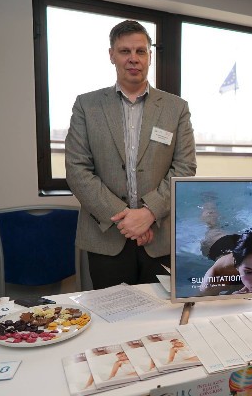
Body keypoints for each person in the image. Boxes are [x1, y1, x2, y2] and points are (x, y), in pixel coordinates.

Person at [65, 20, 196, 289]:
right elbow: (77, 170)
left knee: (161, 313)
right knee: (112, 313)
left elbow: (185, 167)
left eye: (140, 51)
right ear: (111, 55)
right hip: (105, 238)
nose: (133, 58)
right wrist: (126, 219)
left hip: (159, 238)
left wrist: (148, 213)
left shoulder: (176, 108)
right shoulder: (87, 106)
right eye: (125, 51)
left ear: (150, 56)